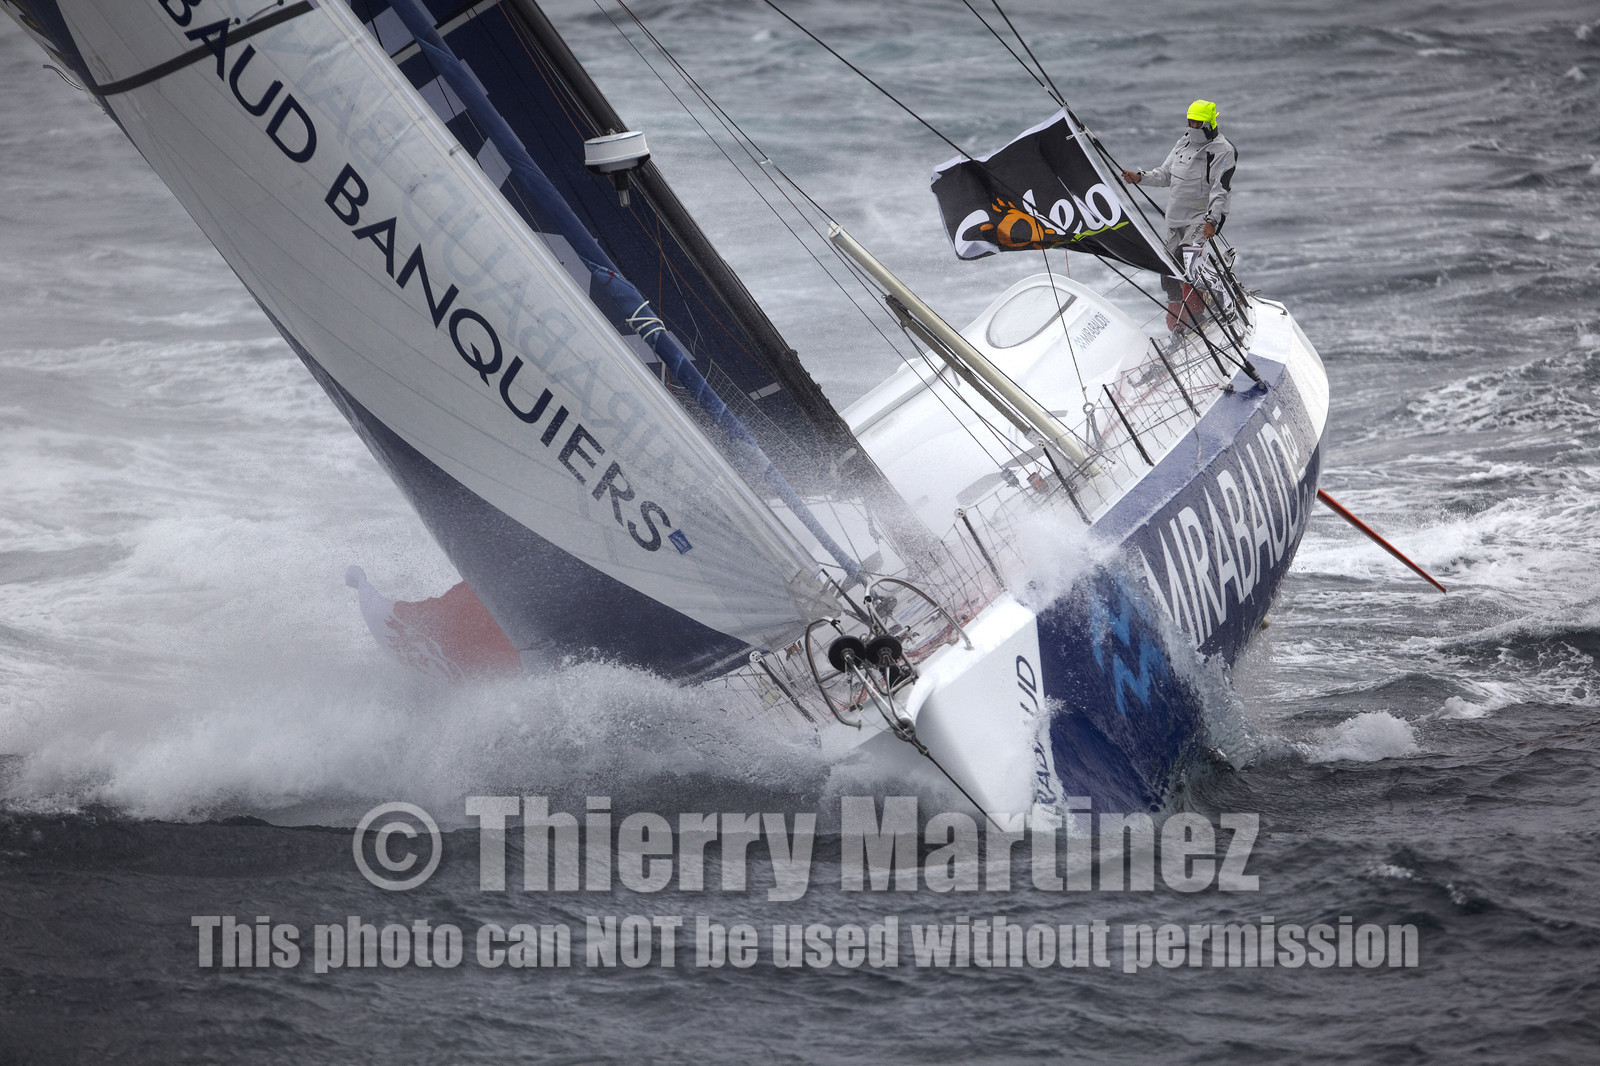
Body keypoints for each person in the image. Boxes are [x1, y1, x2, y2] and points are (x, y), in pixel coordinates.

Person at [1120, 100, 1236, 327]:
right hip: (1176, 221)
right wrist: (1140, 177)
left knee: (1189, 262)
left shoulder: (1223, 151)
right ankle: (1182, 323)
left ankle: (1222, 303)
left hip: (1200, 219)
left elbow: (1220, 189)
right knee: (1169, 273)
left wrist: (1212, 220)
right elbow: (1165, 175)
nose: (1192, 127)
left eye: (1197, 123)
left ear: (1209, 124)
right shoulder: (1183, 143)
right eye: (1190, 121)